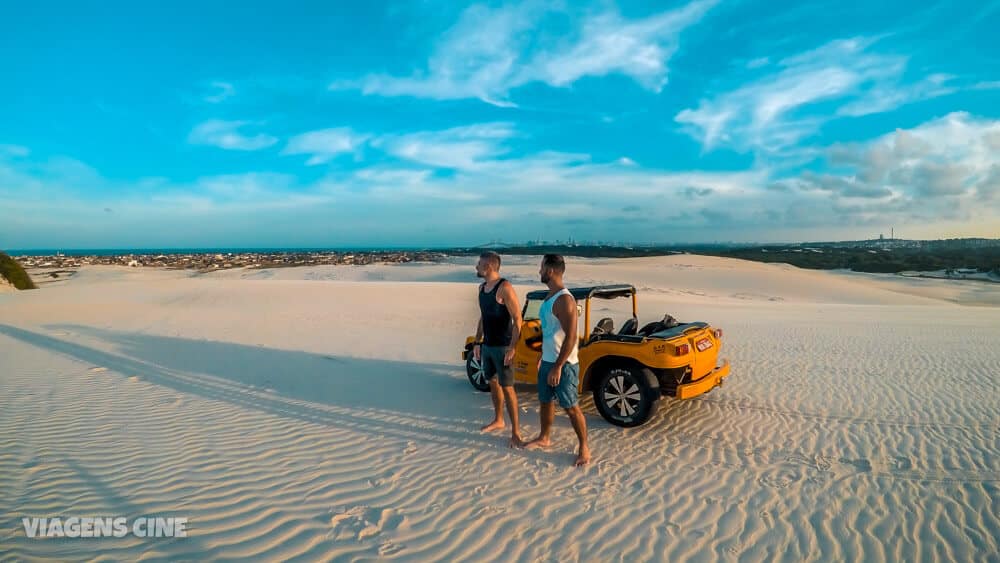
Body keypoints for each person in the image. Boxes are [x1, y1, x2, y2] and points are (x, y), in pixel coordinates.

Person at [522, 254, 590, 467]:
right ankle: (544, 437)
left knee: (571, 407)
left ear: (550, 271)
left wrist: (558, 366)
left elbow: (571, 337)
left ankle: (584, 446)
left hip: (565, 364)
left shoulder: (564, 299)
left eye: (541, 267)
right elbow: (550, 333)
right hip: (549, 361)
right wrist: (544, 357)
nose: (539, 271)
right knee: (545, 401)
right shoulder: (550, 296)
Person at [474, 251, 524, 447]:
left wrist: (513, 347)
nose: (476, 267)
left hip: (503, 347)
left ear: (489, 267)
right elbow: (482, 317)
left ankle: (516, 433)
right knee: (493, 383)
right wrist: (478, 341)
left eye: (479, 264)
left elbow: (518, 319)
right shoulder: (481, 288)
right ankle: (498, 419)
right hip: (487, 345)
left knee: (508, 388)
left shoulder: (505, 288)